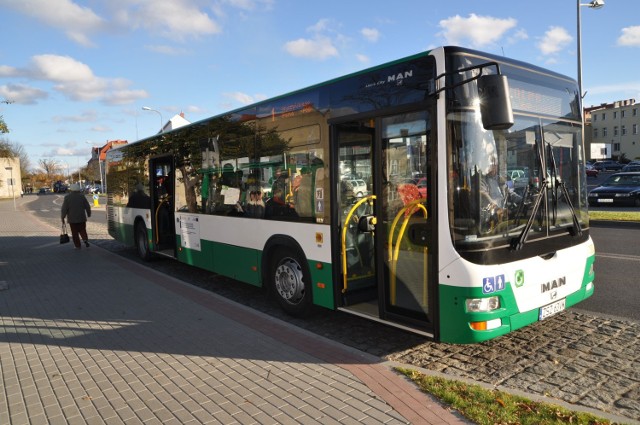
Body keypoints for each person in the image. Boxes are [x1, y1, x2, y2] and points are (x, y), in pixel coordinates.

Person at [61, 183, 92, 249]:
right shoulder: (82, 196)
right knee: (82, 229)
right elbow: (87, 206)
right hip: (81, 217)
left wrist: (62, 217)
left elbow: (64, 208)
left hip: (72, 218)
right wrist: (89, 213)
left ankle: (77, 245)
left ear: (71, 189)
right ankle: (85, 239)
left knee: (74, 233)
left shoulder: (67, 197)